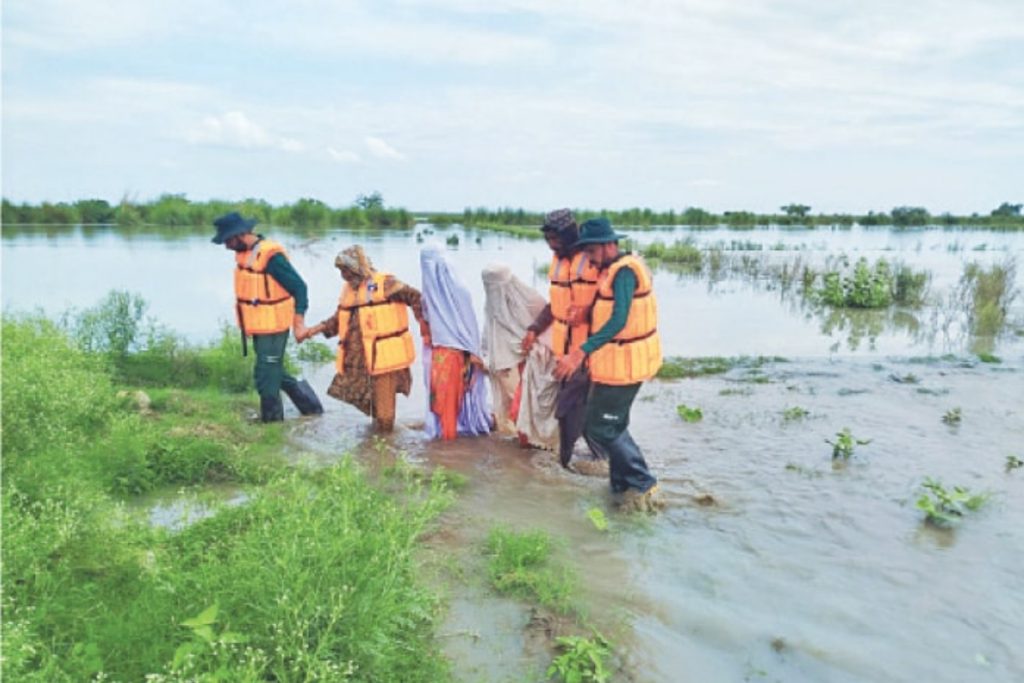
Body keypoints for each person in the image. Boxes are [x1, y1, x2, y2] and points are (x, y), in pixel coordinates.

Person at [554, 217, 661, 509]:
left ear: (609, 245)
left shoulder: (625, 272)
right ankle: (619, 484)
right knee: (608, 424)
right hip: (614, 363)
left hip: (627, 364)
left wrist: (580, 352)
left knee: (601, 428)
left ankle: (642, 482)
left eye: (591, 250)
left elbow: (619, 319)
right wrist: (585, 311)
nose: (588, 256)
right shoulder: (612, 270)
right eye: (585, 251)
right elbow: (607, 309)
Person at [211, 211, 323, 422]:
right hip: (259, 325)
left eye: (227, 240)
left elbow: (299, 288)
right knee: (273, 371)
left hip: (274, 326)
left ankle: (272, 424)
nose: (226, 246)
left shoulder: (272, 257)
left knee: (266, 376)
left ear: (241, 234)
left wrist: (299, 324)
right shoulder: (246, 254)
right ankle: (312, 409)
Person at [304, 245, 427, 432]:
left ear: (356, 266)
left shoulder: (386, 283)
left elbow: (415, 297)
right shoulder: (350, 290)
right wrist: (313, 330)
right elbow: (338, 319)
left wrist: (425, 325)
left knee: (385, 413)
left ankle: (386, 451)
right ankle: (376, 446)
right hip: (361, 361)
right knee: (374, 407)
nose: (343, 275)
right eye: (340, 271)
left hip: (386, 357)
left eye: (345, 270)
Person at [522, 209, 601, 468]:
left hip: (588, 353)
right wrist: (534, 328)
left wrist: (587, 312)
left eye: (556, 239)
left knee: (568, 411)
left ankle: (567, 465)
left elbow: (611, 306)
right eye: (548, 240)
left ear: (568, 235)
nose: (552, 245)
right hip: (564, 354)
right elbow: (555, 306)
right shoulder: (558, 263)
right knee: (580, 412)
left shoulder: (592, 260)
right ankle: (595, 461)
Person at [481, 264, 560, 451]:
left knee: (526, 410)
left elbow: (550, 332)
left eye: (496, 286)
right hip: (508, 367)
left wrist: (533, 348)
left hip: (533, 365)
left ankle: (538, 450)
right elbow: (490, 336)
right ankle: (527, 459)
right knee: (516, 413)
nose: (494, 292)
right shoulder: (492, 306)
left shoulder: (530, 300)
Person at [420, 247, 493, 440]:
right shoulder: (430, 293)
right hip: (439, 354)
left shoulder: (458, 292)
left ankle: (448, 449)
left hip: (455, 356)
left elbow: (468, 326)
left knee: (448, 404)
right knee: (439, 403)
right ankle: (448, 448)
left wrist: (471, 352)